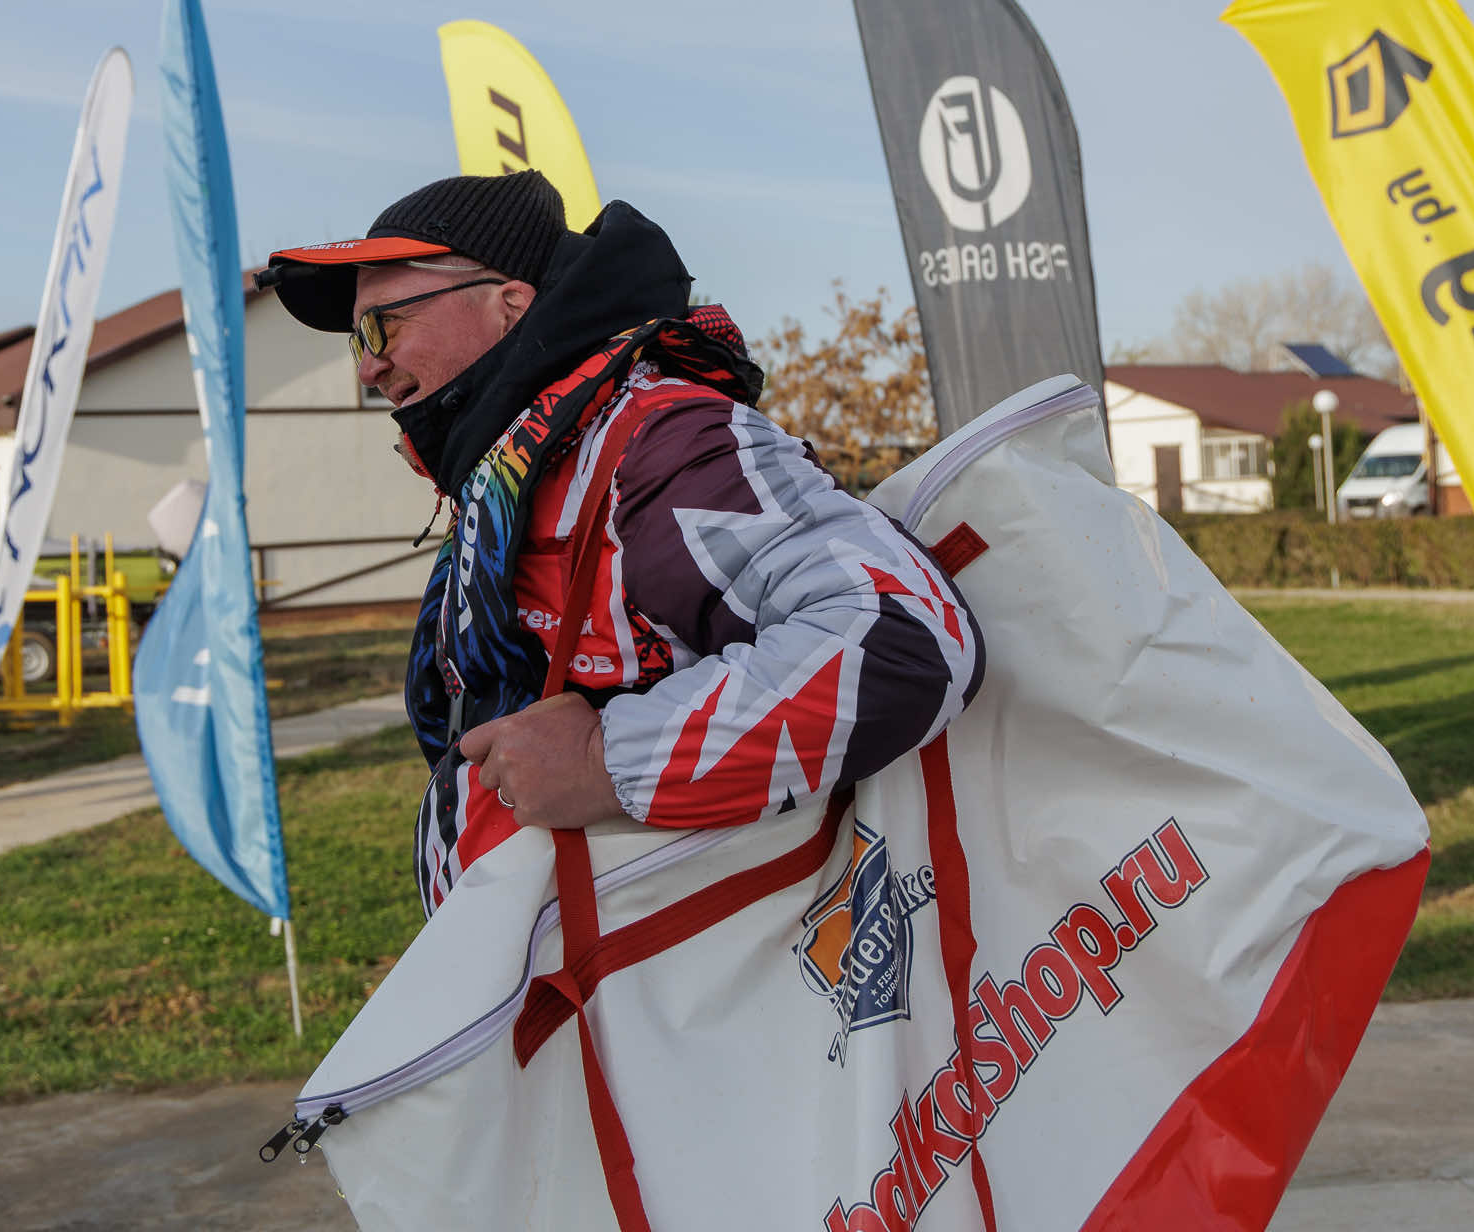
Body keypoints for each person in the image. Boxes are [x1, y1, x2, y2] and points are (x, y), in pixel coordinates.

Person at [257, 171, 983, 914]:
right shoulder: (514, 473)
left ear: (510, 304)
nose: (367, 367)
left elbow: (903, 635)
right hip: (580, 961)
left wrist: (602, 759)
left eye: (382, 327)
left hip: (704, 962)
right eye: (357, 341)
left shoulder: (657, 442)